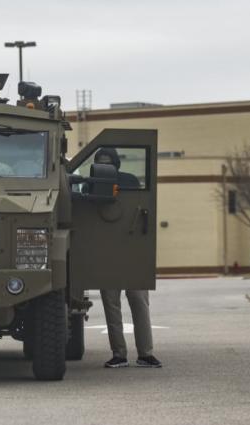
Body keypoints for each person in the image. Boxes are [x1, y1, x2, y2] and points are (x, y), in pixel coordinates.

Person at [93, 148, 162, 369]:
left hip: (131, 251)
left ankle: (146, 353)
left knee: (139, 302)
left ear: (116, 164)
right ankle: (119, 354)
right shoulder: (92, 188)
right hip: (106, 254)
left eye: (108, 163)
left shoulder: (130, 182)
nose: (105, 167)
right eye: (100, 163)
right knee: (111, 305)